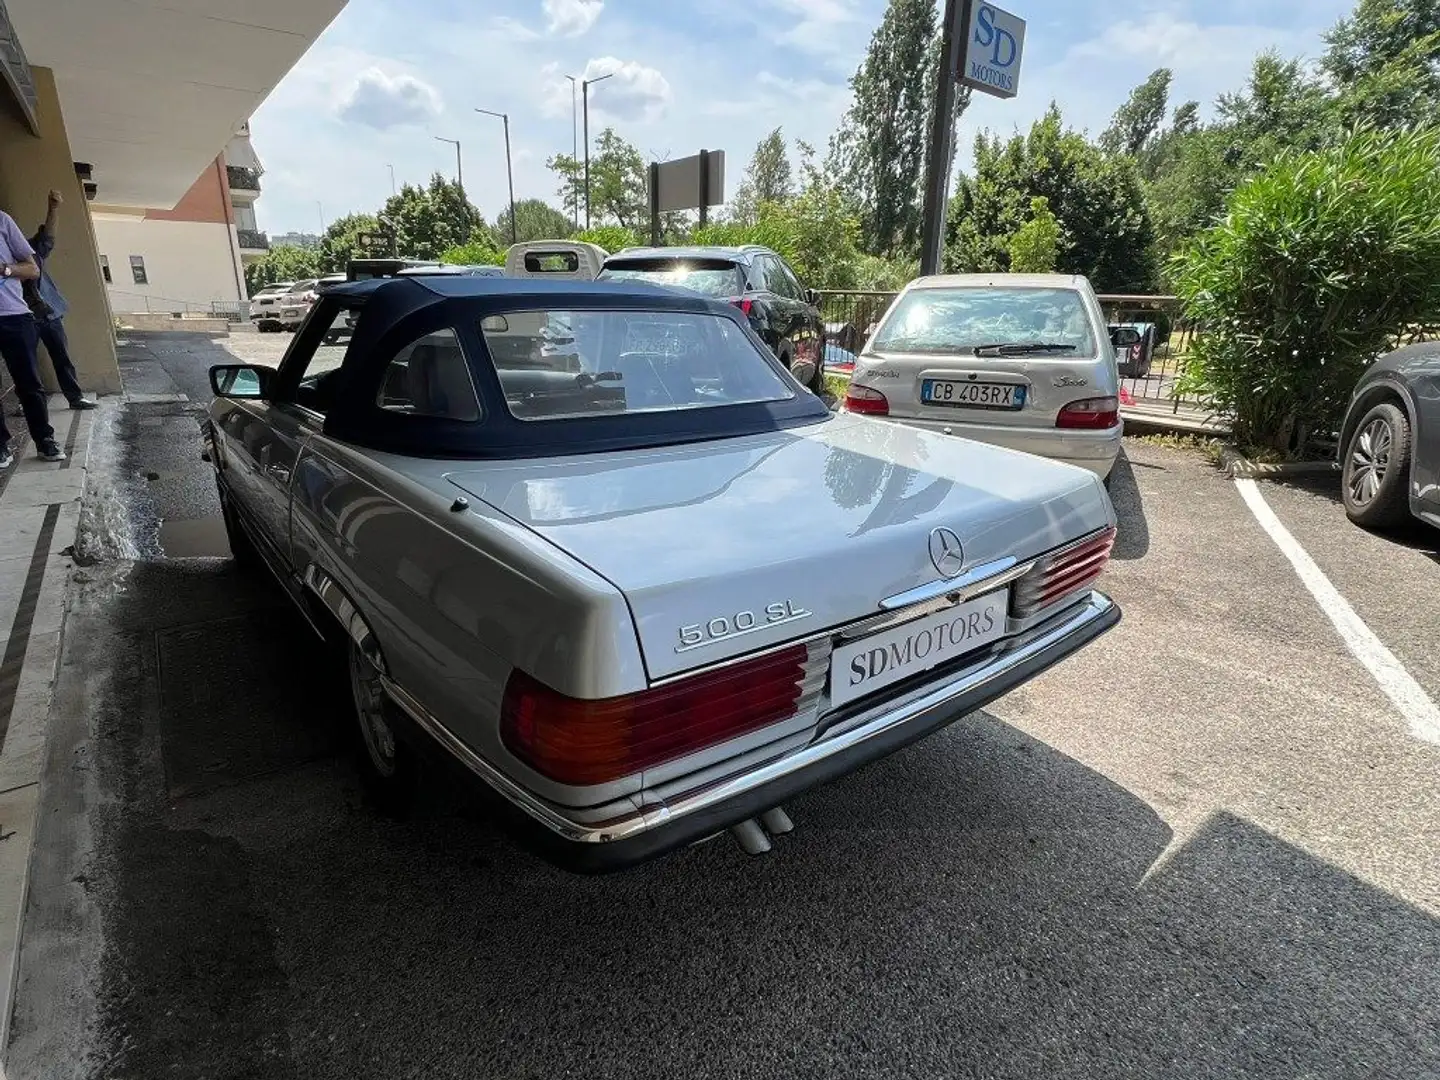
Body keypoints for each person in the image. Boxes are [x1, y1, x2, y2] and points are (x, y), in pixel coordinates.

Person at [0, 207, 63, 469]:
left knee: (29, 384)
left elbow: (32, 269)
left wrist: (5, 269)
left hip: (14, 316)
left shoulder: (2, 220)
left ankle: (44, 439)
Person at [28, 188, 95, 411]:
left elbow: (47, 239)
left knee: (62, 358)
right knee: (26, 363)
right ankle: (27, 403)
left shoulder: (26, 250)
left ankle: (75, 397)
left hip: (49, 313)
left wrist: (53, 208)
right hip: (21, 317)